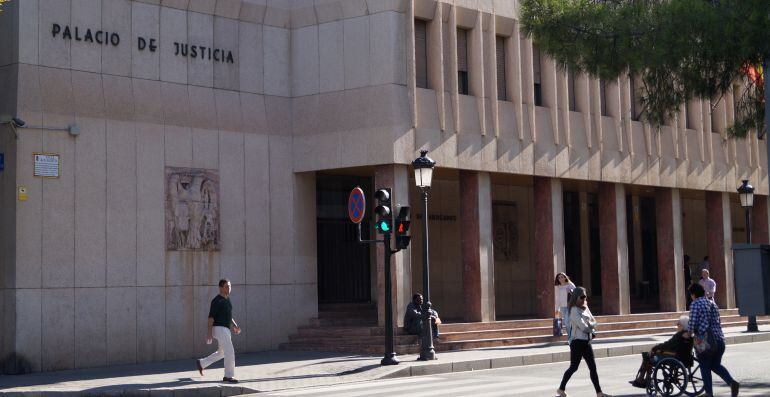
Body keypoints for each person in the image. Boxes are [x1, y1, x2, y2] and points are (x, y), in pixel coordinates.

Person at [556, 287, 610, 397]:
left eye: (585, 297)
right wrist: (591, 326)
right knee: (574, 367)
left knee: (593, 368)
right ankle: (561, 389)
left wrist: (590, 324)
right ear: (576, 297)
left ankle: (599, 393)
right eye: (582, 297)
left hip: (586, 341)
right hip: (577, 342)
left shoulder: (585, 308)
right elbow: (583, 327)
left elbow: (594, 321)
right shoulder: (573, 310)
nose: (584, 299)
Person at [689, 283, 740, 397]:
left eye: (691, 294)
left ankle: (708, 393)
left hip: (706, 342)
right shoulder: (712, 303)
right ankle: (732, 383)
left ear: (693, 294)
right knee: (715, 365)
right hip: (720, 340)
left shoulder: (695, 304)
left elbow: (691, 325)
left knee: (704, 365)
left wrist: (687, 335)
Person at [197, 279, 242, 383]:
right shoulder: (217, 301)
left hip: (225, 329)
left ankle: (201, 363)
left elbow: (229, 316)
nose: (229, 288)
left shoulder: (227, 300)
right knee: (229, 351)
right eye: (226, 286)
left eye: (230, 286)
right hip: (218, 328)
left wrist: (234, 325)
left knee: (222, 352)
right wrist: (209, 334)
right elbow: (210, 318)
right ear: (220, 288)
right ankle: (228, 376)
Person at [629, 315, 693, 388]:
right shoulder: (690, 336)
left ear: (683, 325)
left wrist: (654, 348)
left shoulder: (680, 335)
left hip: (674, 357)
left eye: (678, 324)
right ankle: (644, 379)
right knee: (651, 354)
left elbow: (667, 345)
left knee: (648, 356)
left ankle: (642, 379)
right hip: (685, 359)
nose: (677, 325)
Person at [554, 272, 576, 342]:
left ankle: (571, 339)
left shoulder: (570, 284)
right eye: (559, 277)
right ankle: (571, 337)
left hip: (570, 306)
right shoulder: (558, 287)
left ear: (565, 277)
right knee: (567, 323)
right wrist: (557, 309)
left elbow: (576, 294)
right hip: (563, 307)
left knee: (567, 322)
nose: (561, 278)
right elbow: (557, 299)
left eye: (562, 277)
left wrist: (570, 291)